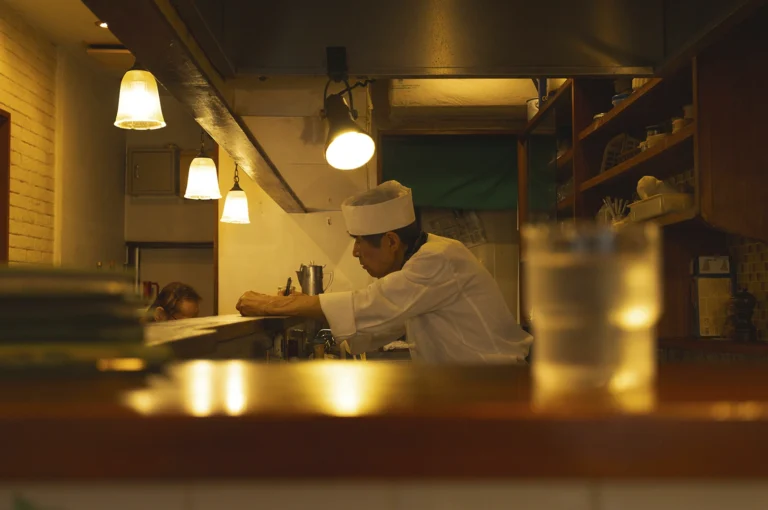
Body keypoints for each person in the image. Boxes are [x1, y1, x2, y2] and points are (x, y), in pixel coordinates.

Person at [236, 181, 532, 364]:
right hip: (472, 388)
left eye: (359, 242)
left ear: (391, 241)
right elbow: (379, 325)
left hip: (495, 385)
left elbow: (370, 303)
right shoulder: (422, 261)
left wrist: (275, 304)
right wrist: (304, 306)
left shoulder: (438, 258)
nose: (355, 252)